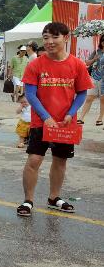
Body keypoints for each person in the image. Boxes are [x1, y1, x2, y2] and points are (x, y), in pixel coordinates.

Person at [17, 22, 91, 217]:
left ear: (66, 38)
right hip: (41, 123)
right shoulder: (36, 64)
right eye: (46, 38)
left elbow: (82, 94)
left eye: (54, 37)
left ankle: (54, 197)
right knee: (34, 159)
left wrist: (70, 113)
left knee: (60, 161)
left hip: (66, 124)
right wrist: (46, 117)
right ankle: (28, 200)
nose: (49, 42)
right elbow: (31, 94)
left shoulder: (77, 65)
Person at [77, 37, 104, 126]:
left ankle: (100, 118)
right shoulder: (97, 51)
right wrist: (94, 59)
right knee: (89, 97)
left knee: (102, 99)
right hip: (95, 77)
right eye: (103, 40)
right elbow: (87, 63)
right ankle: (81, 118)